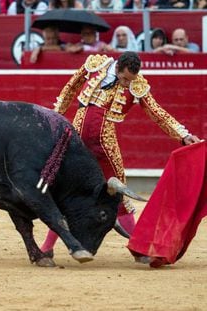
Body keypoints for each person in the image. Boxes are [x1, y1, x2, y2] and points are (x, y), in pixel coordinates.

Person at [39, 51, 201, 261]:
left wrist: (183, 135)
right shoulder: (96, 64)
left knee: (119, 194)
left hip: (105, 142)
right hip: (77, 136)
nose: (126, 84)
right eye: (124, 78)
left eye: (130, 80)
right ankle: (46, 248)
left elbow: (157, 112)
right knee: (66, 189)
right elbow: (70, 88)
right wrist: (55, 118)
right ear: (117, 67)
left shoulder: (137, 84)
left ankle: (138, 248)